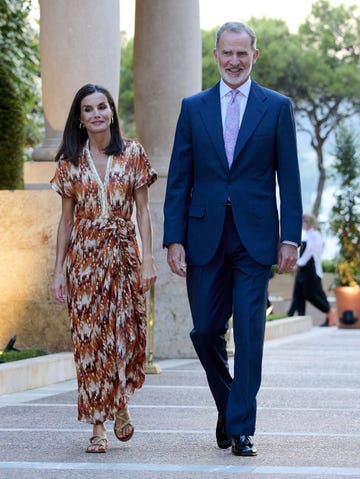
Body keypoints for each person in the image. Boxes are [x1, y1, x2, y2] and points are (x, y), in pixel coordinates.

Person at [163, 22, 302, 457]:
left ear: (254, 56)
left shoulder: (277, 107)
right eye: (227, 53)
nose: (234, 61)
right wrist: (173, 238)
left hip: (255, 240)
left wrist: (290, 238)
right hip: (203, 236)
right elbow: (179, 178)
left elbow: (290, 180)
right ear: (216, 54)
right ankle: (230, 405)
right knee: (205, 331)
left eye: (243, 54)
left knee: (249, 331)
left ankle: (242, 427)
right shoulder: (193, 107)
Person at [50, 83, 157, 453]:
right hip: (85, 260)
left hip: (124, 255)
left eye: (101, 107)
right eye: (88, 109)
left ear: (111, 111)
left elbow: (142, 211)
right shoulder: (69, 162)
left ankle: (122, 401)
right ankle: (98, 425)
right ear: (79, 119)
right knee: (89, 341)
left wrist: (148, 259)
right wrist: (58, 270)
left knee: (125, 332)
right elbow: (65, 222)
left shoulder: (133, 154)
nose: (96, 114)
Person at [287, 215, 335, 326]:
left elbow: (310, 252)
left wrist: (299, 264)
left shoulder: (315, 236)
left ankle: (330, 312)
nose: (304, 223)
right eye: (303, 221)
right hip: (303, 270)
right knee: (298, 295)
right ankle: (298, 316)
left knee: (311, 294)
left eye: (306, 221)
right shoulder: (306, 235)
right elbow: (301, 252)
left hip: (310, 270)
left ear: (312, 223)